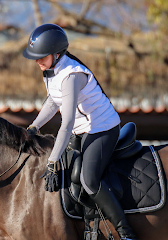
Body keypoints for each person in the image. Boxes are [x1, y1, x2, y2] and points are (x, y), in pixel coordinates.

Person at [23, 23, 138, 240]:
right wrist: (34, 126)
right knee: (71, 174)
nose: (37, 61)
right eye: (35, 57)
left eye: (41, 56)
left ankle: (126, 232)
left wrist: (52, 160)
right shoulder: (50, 71)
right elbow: (52, 102)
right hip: (81, 130)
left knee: (88, 180)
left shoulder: (71, 76)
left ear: (57, 54)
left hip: (102, 129)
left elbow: (66, 123)